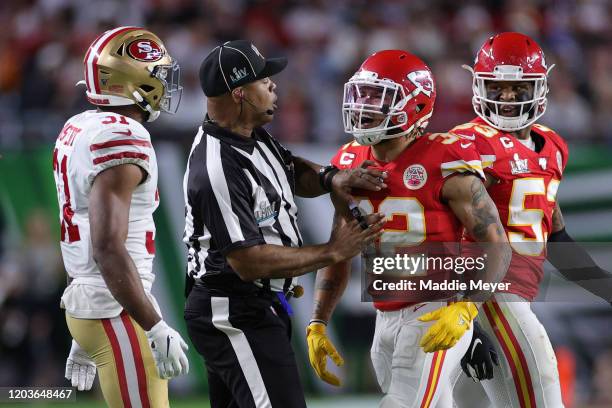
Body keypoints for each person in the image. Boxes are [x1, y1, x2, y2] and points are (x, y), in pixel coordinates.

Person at [183, 39, 386, 408]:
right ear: (240, 93)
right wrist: (332, 251)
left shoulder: (251, 135)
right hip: (232, 308)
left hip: (256, 304)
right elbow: (247, 262)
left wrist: (330, 178)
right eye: (264, 80)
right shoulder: (216, 167)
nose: (274, 85)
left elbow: (290, 169)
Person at [306, 49, 511, 408]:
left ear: (415, 106)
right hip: (384, 315)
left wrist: (467, 309)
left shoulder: (445, 159)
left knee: (400, 403)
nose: (364, 106)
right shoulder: (349, 161)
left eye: (378, 97)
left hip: (435, 309)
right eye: (362, 95)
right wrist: (318, 321)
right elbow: (340, 249)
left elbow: (497, 245)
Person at [451, 32, 612, 408]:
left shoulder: (553, 146)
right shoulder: (464, 144)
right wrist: (464, 313)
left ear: (538, 88)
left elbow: (555, 237)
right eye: (498, 86)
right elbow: (443, 234)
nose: (507, 96)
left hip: (508, 296)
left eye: (517, 86)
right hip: (483, 295)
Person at [53, 27, 189, 407]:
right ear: (133, 80)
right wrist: (154, 325)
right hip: (116, 309)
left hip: (97, 303)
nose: (164, 84)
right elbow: (107, 247)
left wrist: (84, 313)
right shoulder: (123, 137)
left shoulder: (78, 127)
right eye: (158, 74)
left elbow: (78, 233)